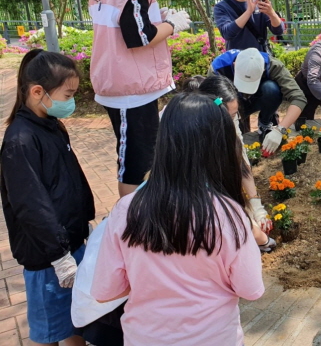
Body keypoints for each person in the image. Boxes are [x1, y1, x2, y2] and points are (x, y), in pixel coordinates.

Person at [91, 93, 264, 345]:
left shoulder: (126, 210)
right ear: (220, 148)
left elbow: (105, 291)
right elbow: (251, 289)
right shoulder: (230, 215)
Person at [74, 0, 191, 197]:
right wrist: (172, 25)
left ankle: (139, 217)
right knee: (134, 161)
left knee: (138, 155)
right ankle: (131, 223)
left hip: (120, 83)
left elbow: (123, 26)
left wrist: (157, 18)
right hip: (132, 89)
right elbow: (141, 37)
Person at [1, 49, 95, 346]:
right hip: (49, 259)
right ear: (38, 91)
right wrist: (59, 256)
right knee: (53, 332)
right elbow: (31, 206)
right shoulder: (20, 141)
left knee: (74, 326)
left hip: (71, 242)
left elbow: (71, 179)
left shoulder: (52, 126)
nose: (72, 103)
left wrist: (84, 223)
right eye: (68, 95)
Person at [194, 75, 275, 251]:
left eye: (234, 115)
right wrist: (255, 233)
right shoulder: (189, 129)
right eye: (228, 116)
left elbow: (240, 158)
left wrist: (256, 205)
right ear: (210, 111)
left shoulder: (227, 119)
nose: (232, 120)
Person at [210, 47, 306, 153]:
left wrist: (280, 130)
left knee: (271, 89)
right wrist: (223, 106)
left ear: (263, 70)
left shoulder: (272, 65)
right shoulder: (218, 68)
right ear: (234, 65)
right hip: (231, 103)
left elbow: (299, 98)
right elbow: (212, 101)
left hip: (258, 98)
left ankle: (265, 124)